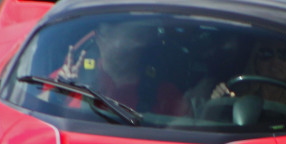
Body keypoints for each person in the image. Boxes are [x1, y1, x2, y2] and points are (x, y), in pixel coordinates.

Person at [54, 20, 188, 116]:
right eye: (106, 34)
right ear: (98, 39)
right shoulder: (69, 77)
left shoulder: (164, 93)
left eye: (128, 38)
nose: (116, 45)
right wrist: (59, 92)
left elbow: (181, 135)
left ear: (142, 46)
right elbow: (36, 109)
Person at [209, 38, 286, 113]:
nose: (275, 61)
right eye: (266, 54)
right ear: (255, 62)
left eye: (284, 54)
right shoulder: (237, 97)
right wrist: (217, 103)